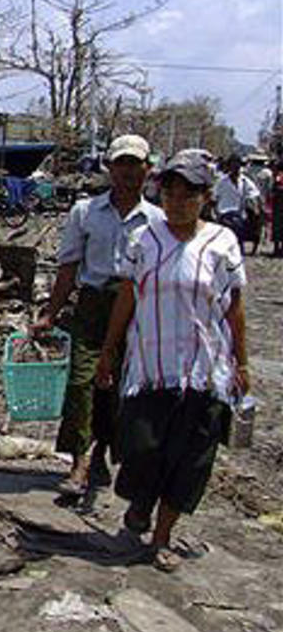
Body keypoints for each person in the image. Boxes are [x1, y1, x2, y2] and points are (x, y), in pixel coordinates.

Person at [95, 149, 249, 572]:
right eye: (171, 192)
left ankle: (161, 536)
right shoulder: (144, 239)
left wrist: (242, 362)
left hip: (206, 371)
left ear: (205, 198)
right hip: (150, 366)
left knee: (190, 459)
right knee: (142, 447)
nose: (178, 200)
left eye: (189, 193)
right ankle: (140, 505)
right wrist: (108, 352)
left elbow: (235, 306)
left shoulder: (222, 242)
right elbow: (127, 296)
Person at [32, 134, 162, 497]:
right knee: (80, 383)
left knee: (119, 388)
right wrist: (50, 314)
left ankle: (103, 451)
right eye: (120, 164)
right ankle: (80, 462)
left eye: (135, 164)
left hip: (136, 308)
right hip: (91, 305)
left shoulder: (157, 220)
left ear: (147, 170)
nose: (127, 172)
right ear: (109, 168)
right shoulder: (85, 212)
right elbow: (68, 268)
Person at [213, 154, 261, 253]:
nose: (235, 168)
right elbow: (214, 197)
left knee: (238, 241)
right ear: (229, 166)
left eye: (237, 165)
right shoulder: (221, 182)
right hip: (224, 214)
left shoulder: (245, 181)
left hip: (239, 215)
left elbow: (254, 194)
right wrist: (215, 212)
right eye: (232, 165)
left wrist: (255, 207)